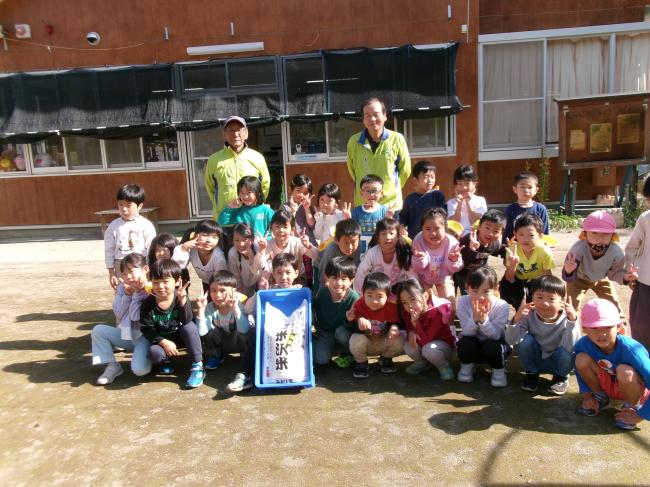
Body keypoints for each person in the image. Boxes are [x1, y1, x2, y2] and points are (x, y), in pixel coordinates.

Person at [574, 299, 650, 430]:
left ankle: (631, 407)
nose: (602, 334)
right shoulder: (583, 344)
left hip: (633, 388)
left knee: (624, 371)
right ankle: (599, 397)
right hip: (608, 385)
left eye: (608, 327)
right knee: (580, 359)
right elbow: (579, 368)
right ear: (584, 328)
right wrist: (587, 396)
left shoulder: (632, 350)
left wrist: (641, 415)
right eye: (594, 328)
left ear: (619, 327)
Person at [506, 275, 580, 395]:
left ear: (563, 300)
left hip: (558, 361)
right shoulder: (528, 315)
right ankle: (532, 374)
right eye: (539, 297)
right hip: (536, 359)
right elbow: (511, 340)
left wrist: (572, 321)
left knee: (568, 349)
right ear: (532, 297)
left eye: (551, 299)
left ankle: (560, 377)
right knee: (524, 341)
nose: (545, 303)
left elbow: (572, 347)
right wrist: (517, 318)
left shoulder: (568, 318)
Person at [139, 259, 204, 389]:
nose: (160, 286)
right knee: (154, 353)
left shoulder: (178, 297)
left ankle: (197, 366)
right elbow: (147, 330)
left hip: (180, 337)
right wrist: (163, 342)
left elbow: (187, 320)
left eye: (166, 281)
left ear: (177, 282)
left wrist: (183, 301)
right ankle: (167, 360)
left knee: (190, 327)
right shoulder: (147, 304)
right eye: (156, 282)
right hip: (162, 340)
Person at [91, 253, 152, 385]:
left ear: (145, 269)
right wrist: (126, 295)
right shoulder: (122, 289)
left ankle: (151, 358)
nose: (128, 277)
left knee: (140, 370)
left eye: (131, 271)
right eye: (123, 274)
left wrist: (136, 294)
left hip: (144, 338)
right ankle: (112, 366)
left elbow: (137, 317)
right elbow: (118, 314)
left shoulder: (152, 289)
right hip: (127, 335)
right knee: (98, 331)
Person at [195, 270, 255, 393]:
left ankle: (245, 362)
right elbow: (201, 333)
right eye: (213, 290)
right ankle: (217, 355)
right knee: (206, 330)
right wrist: (201, 311)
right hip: (223, 343)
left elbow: (244, 329)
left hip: (238, 343)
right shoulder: (210, 307)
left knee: (248, 332)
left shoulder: (238, 305)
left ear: (233, 291)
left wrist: (236, 309)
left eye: (223, 291)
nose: (217, 295)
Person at [347, 97, 411, 209]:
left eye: (376, 114)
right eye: (367, 115)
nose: (372, 119)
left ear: (385, 116)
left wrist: (391, 189)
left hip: (391, 205)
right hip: (364, 204)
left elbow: (405, 170)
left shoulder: (397, 139)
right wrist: (366, 191)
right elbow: (353, 171)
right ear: (363, 119)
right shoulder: (354, 142)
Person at [563, 210, 630, 314]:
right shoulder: (578, 249)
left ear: (612, 236)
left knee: (614, 305)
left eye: (605, 233)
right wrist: (569, 271)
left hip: (602, 279)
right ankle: (568, 326)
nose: (600, 237)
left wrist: (625, 277)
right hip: (578, 279)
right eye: (594, 232)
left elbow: (615, 274)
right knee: (571, 306)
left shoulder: (616, 253)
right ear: (585, 234)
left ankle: (620, 326)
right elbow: (568, 274)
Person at [204, 115, 270, 220]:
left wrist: (255, 207)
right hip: (224, 219)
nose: (235, 134)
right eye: (231, 130)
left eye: (239, 130)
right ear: (224, 135)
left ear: (246, 133)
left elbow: (264, 186)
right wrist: (222, 204)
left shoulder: (257, 158)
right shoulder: (214, 160)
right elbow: (210, 188)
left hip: (250, 219)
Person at [456, 266, 511, 387]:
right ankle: (467, 366)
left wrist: (484, 320)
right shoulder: (462, 302)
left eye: (486, 291)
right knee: (465, 342)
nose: (480, 296)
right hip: (473, 343)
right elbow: (466, 332)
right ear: (467, 288)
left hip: (493, 345)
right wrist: (475, 318)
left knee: (492, 345)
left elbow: (496, 336)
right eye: (475, 291)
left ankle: (498, 370)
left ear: (495, 289)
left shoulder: (502, 306)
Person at [394, 279, 456, 381]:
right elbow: (410, 330)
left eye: (412, 299)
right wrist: (412, 332)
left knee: (429, 349)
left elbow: (427, 339)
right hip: (424, 344)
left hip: (442, 347)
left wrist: (415, 324)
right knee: (408, 346)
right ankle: (424, 363)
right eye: (404, 302)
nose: (409, 305)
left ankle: (443, 366)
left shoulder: (436, 312)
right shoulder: (407, 312)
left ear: (425, 296)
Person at [347, 272, 404, 379]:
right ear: (363, 294)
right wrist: (357, 320)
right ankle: (361, 363)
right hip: (367, 343)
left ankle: (386, 358)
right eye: (369, 295)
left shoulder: (391, 306)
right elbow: (352, 328)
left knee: (401, 338)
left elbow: (395, 322)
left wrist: (394, 328)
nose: (374, 301)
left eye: (379, 296)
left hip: (383, 341)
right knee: (355, 339)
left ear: (388, 296)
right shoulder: (359, 304)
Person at [104, 183, 156, 290]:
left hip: (140, 264)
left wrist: (151, 269)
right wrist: (111, 272)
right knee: (123, 292)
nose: (124, 209)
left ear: (139, 206)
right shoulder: (113, 226)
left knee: (143, 292)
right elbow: (109, 250)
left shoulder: (146, 225)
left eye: (129, 205)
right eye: (121, 204)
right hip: (120, 265)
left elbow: (152, 248)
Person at [499, 213, 554, 309]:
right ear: (515, 234)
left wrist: (546, 293)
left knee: (540, 300)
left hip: (536, 281)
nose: (525, 239)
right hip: (518, 280)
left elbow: (547, 275)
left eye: (531, 235)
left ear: (540, 236)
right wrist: (512, 265)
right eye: (521, 234)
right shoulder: (512, 250)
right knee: (512, 295)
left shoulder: (544, 251)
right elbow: (509, 278)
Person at [312, 257, 359, 367]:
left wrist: (350, 320)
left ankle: (347, 353)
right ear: (327, 278)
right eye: (334, 278)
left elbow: (356, 328)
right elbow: (315, 307)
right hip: (325, 332)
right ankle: (325, 345)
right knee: (321, 360)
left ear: (351, 280)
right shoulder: (323, 291)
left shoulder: (353, 298)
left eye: (344, 279)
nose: (338, 283)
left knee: (341, 333)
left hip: (343, 332)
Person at [411, 208, 463, 302]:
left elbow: (455, 269)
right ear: (422, 228)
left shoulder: (451, 242)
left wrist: (453, 260)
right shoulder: (418, 240)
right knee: (422, 302)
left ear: (445, 228)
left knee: (449, 303)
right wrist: (420, 259)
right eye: (427, 229)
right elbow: (417, 268)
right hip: (423, 277)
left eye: (437, 228)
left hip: (444, 276)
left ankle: (448, 316)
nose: (433, 233)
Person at [353, 218, 414, 294]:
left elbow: (412, 274)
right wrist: (361, 294)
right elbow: (361, 272)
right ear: (377, 238)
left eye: (391, 233)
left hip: (398, 287)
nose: (388, 237)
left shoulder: (403, 252)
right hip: (378, 287)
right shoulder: (372, 253)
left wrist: (413, 292)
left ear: (398, 237)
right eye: (383, 234)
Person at [454, 209, 506, 295]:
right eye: (487, 228)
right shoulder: (468, 240)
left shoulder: (494, 243)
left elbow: (498, 250)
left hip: (479, 271)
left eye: (496, 231)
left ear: (501, 233)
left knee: (481, 292)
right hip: (462, 273)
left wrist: (508, 248)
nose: (490, 233)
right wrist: (472, 250)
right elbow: (460, 262)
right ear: (479, 226)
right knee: (468, 295)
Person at [625, 177, 650, 349]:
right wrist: (630, 271)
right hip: (645, 281)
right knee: (641, 324)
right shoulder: (646, 219)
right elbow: (632, 247)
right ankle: (642, 360)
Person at [262, 209, 318, 285]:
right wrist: (260, 250)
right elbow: (262, 265)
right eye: (277, 226)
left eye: (285, 227)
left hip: (297, 280)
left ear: (292, 229)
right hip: (277, 281)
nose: (281, 230)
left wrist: (308, 246)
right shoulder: (268, 245)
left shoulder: (298, 242)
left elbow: (318, 256)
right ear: (271, 228)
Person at [172, 220, 227, 294]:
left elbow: (221, 280)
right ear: (195, 235)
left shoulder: (218, 257)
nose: (209, 240)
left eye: (214, 237)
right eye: (205, 235)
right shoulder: (191, 249)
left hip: (218, 283)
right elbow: (178, 267)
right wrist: (183, 248)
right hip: (205, 281)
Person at [399, 160, 446, 239]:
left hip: (434, 238)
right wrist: (401, 226)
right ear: (415, 180)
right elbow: (403, 217)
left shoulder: (438, 196)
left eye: (432, 177)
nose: (430, 180)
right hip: (415, 239)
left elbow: (444, 215)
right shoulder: (410, 199)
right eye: (425, 177)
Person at [351, 174, 392, 254]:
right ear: (361, 193)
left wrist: (389, 218)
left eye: (375, 190)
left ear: (381, 193)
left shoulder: (385, 211)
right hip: (360, 251)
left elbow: (388, 230)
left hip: (379, 250)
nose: (371, 194)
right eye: (367, 191)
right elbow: (353, 231)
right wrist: (348, 220)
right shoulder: (356, 211)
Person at [503, 171, 549, 242]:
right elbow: (507, 232)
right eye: (522, 187)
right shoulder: (510, 209)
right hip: (516, 247)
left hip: (536, 246)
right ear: (515, 189)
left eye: (530, 187)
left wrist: (545, 244)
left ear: (536, 190)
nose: (526, 190)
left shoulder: (540, 209)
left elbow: (544, 231)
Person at [227, 223, 270, 297]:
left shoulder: (258, 246)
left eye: (245, 239)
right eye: (237, 240)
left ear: (252, 239)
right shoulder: (232, 253)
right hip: (244, 286)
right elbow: (235, 276)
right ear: (232, 240)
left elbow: (265, 269)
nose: (241, 244)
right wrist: (240, 292)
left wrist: (258, 253)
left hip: (261, 283)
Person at [317, 219, 362, 288]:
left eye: (353, 242)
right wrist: (324, 288)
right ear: (336, 240)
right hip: (323, 267)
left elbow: (354, 269)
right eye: (346, 242)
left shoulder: (358, 247)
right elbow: (323, 271)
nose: (350, 247)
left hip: (343, 275)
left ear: (359, 240)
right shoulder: (331, 250)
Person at [447, 164, 487, 237]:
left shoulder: (480, 200)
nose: (464, 187)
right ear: (455, 185)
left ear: (474, 183)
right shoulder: (451, 203)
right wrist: (459, 203)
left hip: (474, 237)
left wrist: (468, 203)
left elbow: (475, 223)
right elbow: (454, 224)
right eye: (459, 184)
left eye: (467, 183)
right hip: (457, 238)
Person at [280, 174, 318, 246]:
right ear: (291, 189)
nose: (301, 195)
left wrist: (307, 209)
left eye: (305, 193)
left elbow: (312, 226)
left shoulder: (310, 208)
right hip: (294, 245)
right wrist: (293, 213)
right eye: (298, 191)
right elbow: (285, 228)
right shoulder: (285, 208)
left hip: (309, 245)